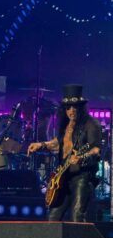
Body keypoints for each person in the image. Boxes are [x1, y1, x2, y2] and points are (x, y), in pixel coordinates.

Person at [27, 84, 102, 222]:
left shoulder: (91, 124)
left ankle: (79, 237)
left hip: (82, 176)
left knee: (77, 216)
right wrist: (41, 145)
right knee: (52, 217)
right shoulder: (66, 124)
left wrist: (82, 157)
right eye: (68, 107)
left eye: (75, 107)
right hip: (63, 177)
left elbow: (96, 150)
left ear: (81, 107)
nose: (71, 110)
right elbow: (59, 142)